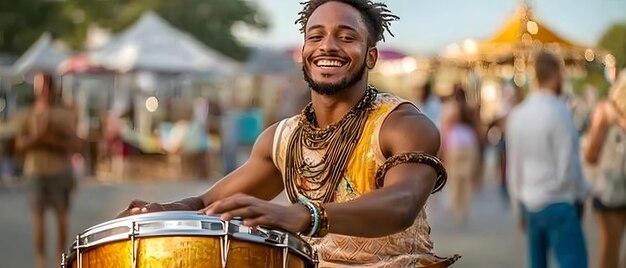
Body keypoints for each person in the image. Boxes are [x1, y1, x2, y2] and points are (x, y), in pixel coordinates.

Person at [117, 0, 460, 267]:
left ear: (370, 57)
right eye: (316, 36)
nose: (328, 46)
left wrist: (303, 215)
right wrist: (165, 210)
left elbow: (402, 204)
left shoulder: (402, 125)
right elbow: (208, 204)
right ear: (304, 53)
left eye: (346, 36)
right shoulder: (281, 139)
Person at [505, 50, 589, 268]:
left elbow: (513, 168)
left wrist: (517, 206)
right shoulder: (560, 112)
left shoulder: (518, 115)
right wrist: (579, 196)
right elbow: (568, 164)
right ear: (556, 74)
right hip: (559, 201)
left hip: (530, 202)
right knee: (573, 262)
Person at [15, 72, 79, 268]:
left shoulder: (64, 113)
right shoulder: (28, 113)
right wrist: (37, 137)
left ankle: (60, 259)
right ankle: (40, 261)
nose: (40, 91)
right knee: (39, 219)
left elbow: (74, 144)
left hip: (59, 170)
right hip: (35, 171)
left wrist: (47, 138)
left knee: (61, 217)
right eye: (38, 86)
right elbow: (19, 145)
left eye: (43, 86)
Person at [583, 69, 626, 268]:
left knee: (611, 253)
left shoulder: (608, 112)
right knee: (610, 253)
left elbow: (590, 156)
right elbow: (591, 156)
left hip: (611, 192)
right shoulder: (604, 111)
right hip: (611, 192)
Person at [440, 87, 480, 227]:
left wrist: (443, 150)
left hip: (454, 145)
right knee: (466, 179)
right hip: (469, 144)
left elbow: (445, 129)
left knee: (455, 179)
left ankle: (456, 208)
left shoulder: (450, 109)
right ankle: (464, 209)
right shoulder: (470, 108)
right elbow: (477, 127)